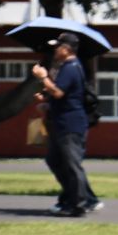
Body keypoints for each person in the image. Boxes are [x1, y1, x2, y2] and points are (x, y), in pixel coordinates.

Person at [33, 35, 100, 216]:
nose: (55, 50)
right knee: (55, 160)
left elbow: (59, 92)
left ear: (67, 49)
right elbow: (61, 95)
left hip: (70, 124)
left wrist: (43, 77)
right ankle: (74, 197)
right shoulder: (67, 68)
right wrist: (46, 102)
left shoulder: (71, 68)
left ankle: (79, 204)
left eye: (58, 47)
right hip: (61, 122)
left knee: (71, 164)